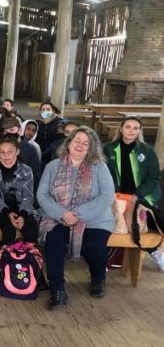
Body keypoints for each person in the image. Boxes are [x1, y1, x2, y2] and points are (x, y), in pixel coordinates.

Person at [37, 126, 115, 309]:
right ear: (69, 143)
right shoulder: (53, 166)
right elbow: (42, 195)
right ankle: (57, 289)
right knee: (53, 241)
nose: (80, 146)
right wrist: (63, 214)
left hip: (95, 220)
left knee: (94, 246)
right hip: (59, 218)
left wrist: (77, 215)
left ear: (91, 148)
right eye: (77, 141)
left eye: (86, 143)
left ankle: (98, 278)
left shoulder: (99, 167)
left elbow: (106, 196)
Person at [103, 117, 163, 270]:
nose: (131, 130)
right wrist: (114, 193)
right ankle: (111, 255)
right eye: (128, 127)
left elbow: (154, 177)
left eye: (136, 128)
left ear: (139, 131)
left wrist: (137, 195)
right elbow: (103, 174)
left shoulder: (146, 151)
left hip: (140, 195)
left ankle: (155, 251)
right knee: (115, 217)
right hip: (116, 195)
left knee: (136, 222)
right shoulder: (109, 149)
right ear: (121, 129)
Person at [0, 138, 38, 244]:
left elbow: (28, 196)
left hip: (21, 207)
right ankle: (5, 258)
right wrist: (8, 213)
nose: (6, 156)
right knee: (8, 230)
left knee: (30, 231)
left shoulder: (26, 170)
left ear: (17, 152)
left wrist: (22, 215)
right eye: (2, 152)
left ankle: (29, 258)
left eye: (10, 152)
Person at [0, 118, 42, 189]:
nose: (9, 133)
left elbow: (35, 176)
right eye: (5, 131)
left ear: (20, 130)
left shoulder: (31, 149)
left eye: (12, 130)